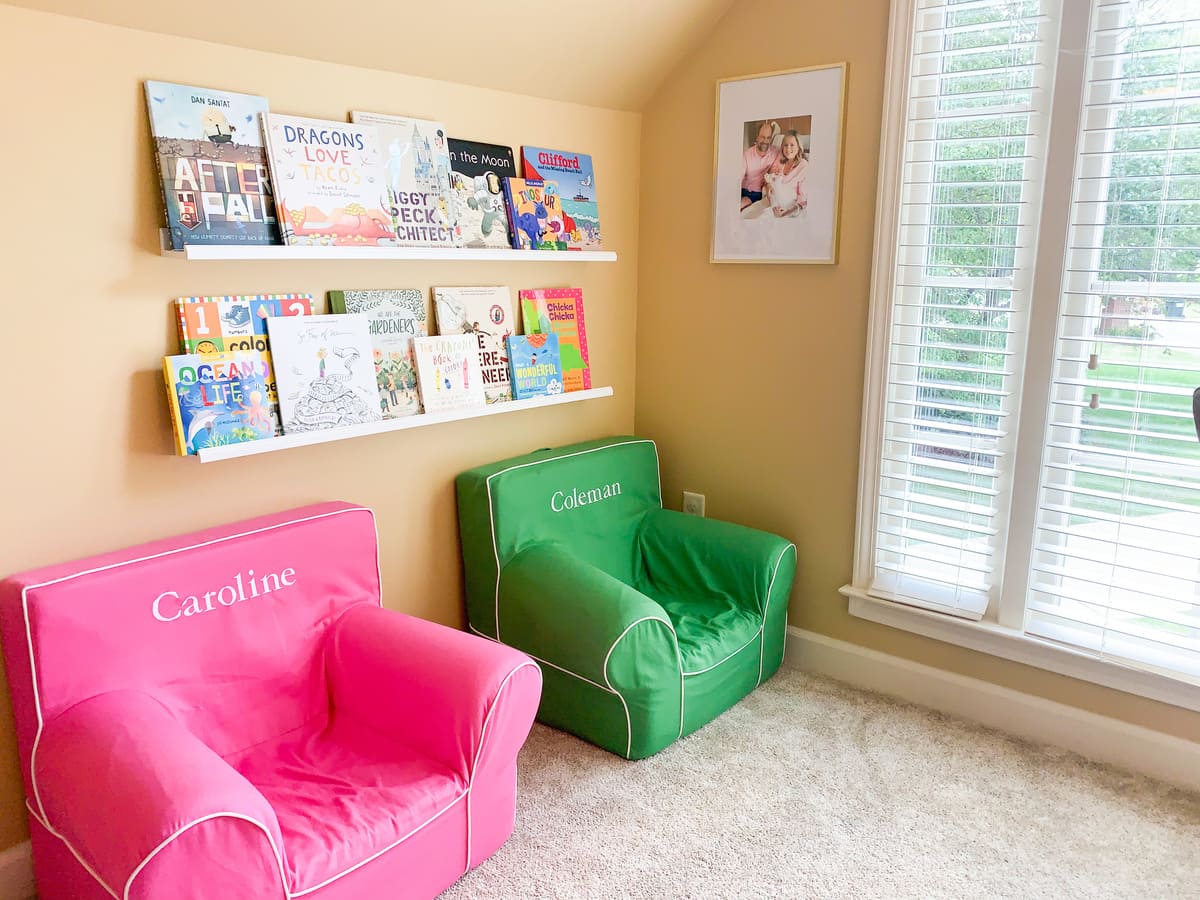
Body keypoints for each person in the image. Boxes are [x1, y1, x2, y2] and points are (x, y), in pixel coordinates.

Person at [764, 130, 808, 218]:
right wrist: (768, 186)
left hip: (791, 210)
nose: (788, 149)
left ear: (799, 147)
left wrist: (788, 211)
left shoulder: (803, 166)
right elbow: (770, 185)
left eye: (792, 145)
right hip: (774, 206)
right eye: (785, 145)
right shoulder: (781, 163)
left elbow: (804, 199)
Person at [740, 121, 780, 210]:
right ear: (757, 137)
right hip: (741, 189)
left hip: (756, 192)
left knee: (743, 203)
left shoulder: (776, 152)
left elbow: (788, 155)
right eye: (762, 137)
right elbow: (739, 176)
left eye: (768, 138)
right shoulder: (746, 154)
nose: (765, 141)